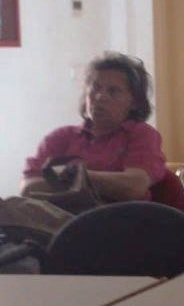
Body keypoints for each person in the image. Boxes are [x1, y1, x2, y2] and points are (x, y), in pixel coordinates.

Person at [20, 52, 169, 203]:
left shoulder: (141, 134)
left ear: (135, 102)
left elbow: (134, 187)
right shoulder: (60, 137)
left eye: (113, 91)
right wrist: (100, 182)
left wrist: (74, 174)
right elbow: (28, 189)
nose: (100, 97)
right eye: (95, 88)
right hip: (59, 220)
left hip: (117, 220)